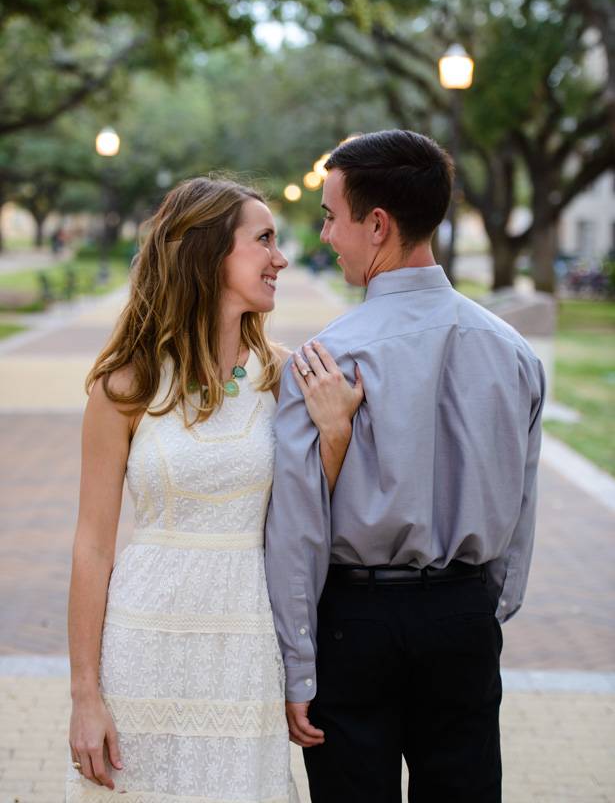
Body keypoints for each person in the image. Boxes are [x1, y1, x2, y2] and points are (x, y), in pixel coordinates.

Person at [265, 130, 545, 803]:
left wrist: (297, 667)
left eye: (332, 216)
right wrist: (485, 606)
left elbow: (298, 525)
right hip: (464, 615)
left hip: (354, 622)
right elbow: (523, 500)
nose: (326, 234)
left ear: (378, 225)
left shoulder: (321, 361)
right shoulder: (511, 352)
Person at [66, 176, 363, 802]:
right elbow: (93, 546)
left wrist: (334, 434)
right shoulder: (125, 387)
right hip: (143, 644)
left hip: (245, 646)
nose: (281, 257)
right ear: (207, 254)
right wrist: (85, 695)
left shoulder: (287, 376)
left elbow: (311, 518)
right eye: (263, 240)